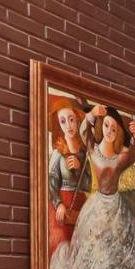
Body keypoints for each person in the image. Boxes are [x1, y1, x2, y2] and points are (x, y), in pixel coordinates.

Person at [51, 104, 135, 269]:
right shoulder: (93, 150)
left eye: (114, 129)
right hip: (97, 203)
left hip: (116, 205)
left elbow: (131, 157)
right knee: (93, 243)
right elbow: (84, 132)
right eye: (107, 125)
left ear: (117, 134)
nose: (109, 131)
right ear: (102, 126)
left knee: (117, 244)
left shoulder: (120, 158)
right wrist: (92, 115)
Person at [46, 100, 92, 257]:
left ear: (77, 120)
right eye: (63, 121)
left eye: (71, 119)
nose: (68, 125)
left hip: (80, 204)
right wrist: (58, 203)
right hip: (62, 205)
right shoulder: (58, 152)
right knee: (62, 248)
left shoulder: (83, 153)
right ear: (59, 124)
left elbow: (88, 184)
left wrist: (79, 168)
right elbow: (51, 180)